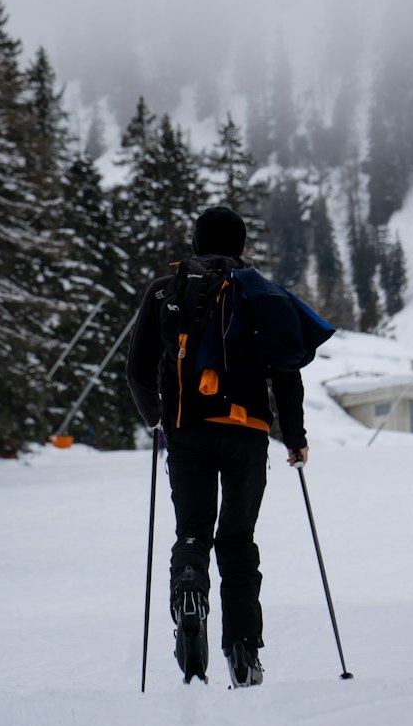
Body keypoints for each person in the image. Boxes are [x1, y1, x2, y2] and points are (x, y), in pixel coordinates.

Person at [126, 205, 309, 687]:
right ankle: (243, 647)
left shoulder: (165, 291)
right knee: (238, 539)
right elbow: (286, 372)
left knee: (193, 532)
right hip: (247, 434)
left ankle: (190, 590)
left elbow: (137, 369)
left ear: (195, 241)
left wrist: (158, 420)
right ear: (241, 245)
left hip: (187, 431)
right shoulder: (260, 292)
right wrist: (294, 437)